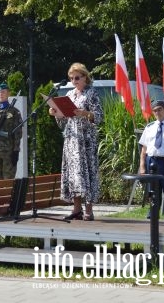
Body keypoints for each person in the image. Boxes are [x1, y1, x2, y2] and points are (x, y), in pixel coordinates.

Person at [49, 62, 103, 221]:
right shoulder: (70, 95)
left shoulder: (92, 93)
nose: (74, 81)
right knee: (73, 175)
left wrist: (84, 113)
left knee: (87, 174)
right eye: (71, 78)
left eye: (77, 77)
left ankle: (89, 210)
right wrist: (56, 114)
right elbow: (64, 121)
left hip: (86, 141)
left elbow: (99, 117)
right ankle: (76, 209)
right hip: (71, 140)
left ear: (85, 77)